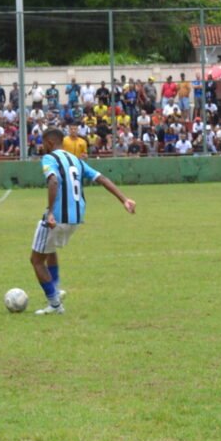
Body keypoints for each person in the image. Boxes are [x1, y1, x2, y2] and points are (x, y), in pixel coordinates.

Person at [30, 127, 135, 315]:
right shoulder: (75, 160)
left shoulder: (49, 158)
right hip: (76, 218)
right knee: (50, 249)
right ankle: (56, 289)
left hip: (58, 216)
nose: (41, 147)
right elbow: (101, 178)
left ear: (49, 143)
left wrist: (51, 212)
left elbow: (53, 181)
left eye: (43, 143)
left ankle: (54, 304)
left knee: (36, 260)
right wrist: (125, 199)